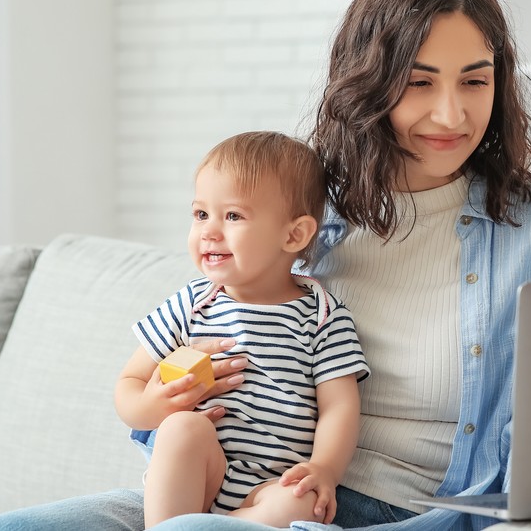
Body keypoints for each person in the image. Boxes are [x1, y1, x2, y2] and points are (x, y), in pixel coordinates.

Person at [0, 0, 531, 531]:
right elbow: (188, 338)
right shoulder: (303, 212)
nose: (451, 114)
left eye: (474, 81)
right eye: (419, 83)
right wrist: (177, 389)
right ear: (371, 81)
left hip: (371, 510)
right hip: (218, 490)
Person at [116, 131, 369, 527]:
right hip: (200, 474)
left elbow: (339, 407)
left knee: (302, 504)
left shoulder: (322, 317)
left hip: (269, 487)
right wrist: (156, 407)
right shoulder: (194, 302)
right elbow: (130, 382)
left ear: (294, 234)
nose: (209, 231)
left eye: (232, 216)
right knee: (183, 428)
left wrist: (324, 469)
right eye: (201, 214)